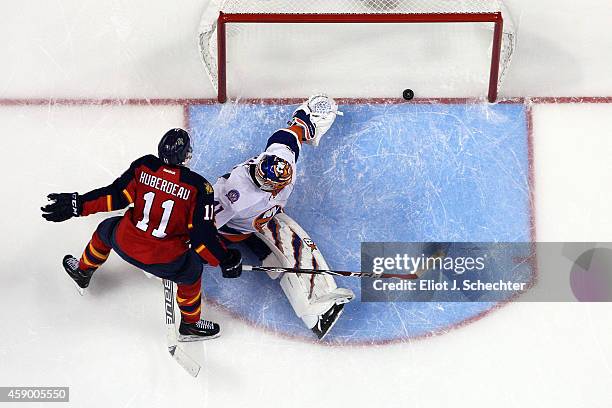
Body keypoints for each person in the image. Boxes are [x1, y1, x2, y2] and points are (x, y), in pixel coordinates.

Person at [41, 128, 242, 341]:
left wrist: (78, 204)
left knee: (105, 229)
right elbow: (203, 238)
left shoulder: (145, 165)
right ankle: (190, 325)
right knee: (192, 271)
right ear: (185, 155)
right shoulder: (200, 187)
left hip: (125, 243)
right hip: (166, 260)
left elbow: (115, 196)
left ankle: (82, 271)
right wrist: (224, 259)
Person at [212, 95, 354, 340]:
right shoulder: (233, 196)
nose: (280, 189)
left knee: (295, 249)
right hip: (231, 229)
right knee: (294, 249)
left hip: (260, 219)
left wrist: (306, 121)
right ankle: (313, 312)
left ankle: (314, 305)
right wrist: (218, 255)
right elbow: (199, 227)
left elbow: (292, 134)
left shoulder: (282, 157)